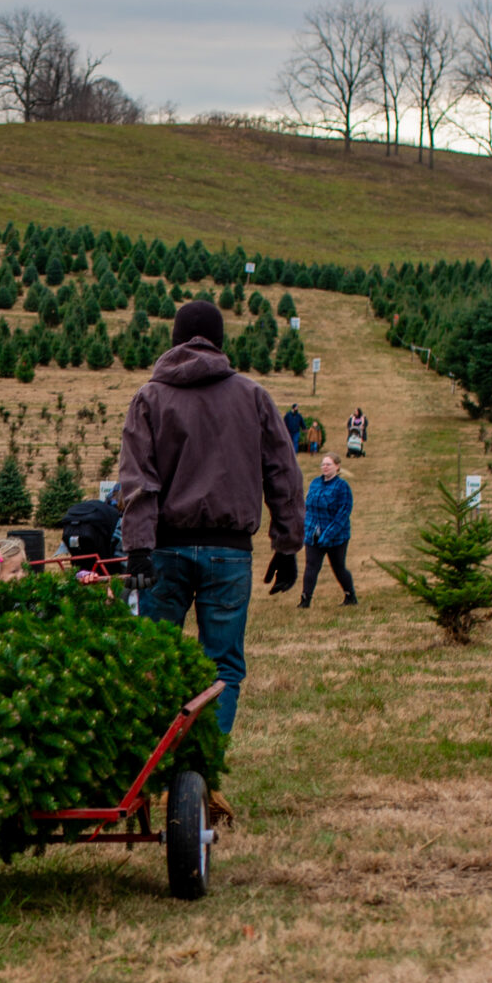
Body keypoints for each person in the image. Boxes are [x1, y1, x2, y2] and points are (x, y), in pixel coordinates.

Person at [116, 298, 303, 734]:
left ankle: (159, 763)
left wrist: (138, 549)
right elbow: (283, 473)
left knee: (154, 660)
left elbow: (137, 481)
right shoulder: (253, 396)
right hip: (229, 552)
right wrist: (287, 545)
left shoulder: (149, 398)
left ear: (175, 340)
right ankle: (205, 770)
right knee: (222, 666)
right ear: (220, 341)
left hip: (165, 551)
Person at [299, 454, 356, 608]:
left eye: (328, 464)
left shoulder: (342, 487)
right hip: (314, 536)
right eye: (323, 464)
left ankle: (350, 596)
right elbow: (308, 508)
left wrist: (328, 534)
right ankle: (305, 600)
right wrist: (308, 529)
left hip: (337, 537)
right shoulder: (315, 483)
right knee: (311, 566)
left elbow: (343, 513)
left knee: (338, 567)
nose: (325, 467)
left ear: (337, 467)